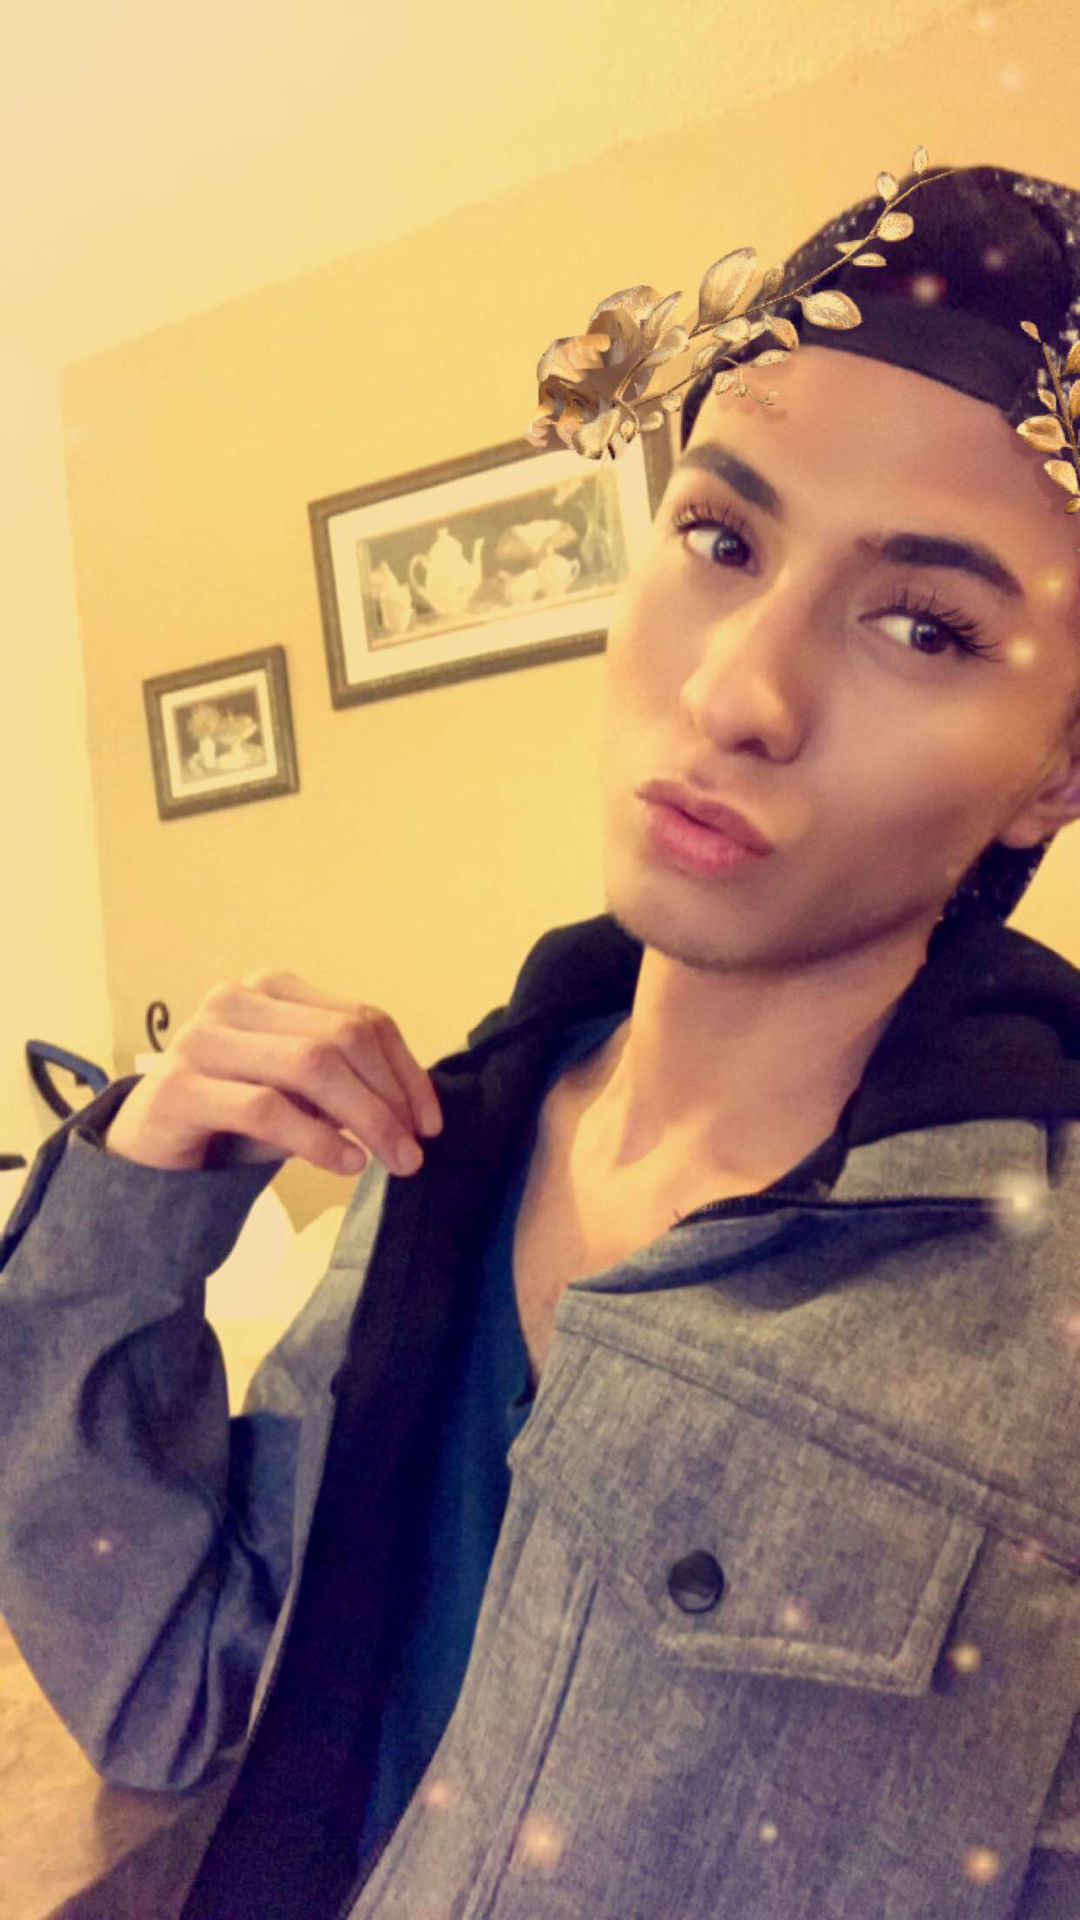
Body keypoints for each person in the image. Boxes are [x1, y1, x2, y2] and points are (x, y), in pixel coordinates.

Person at [2, 157, 1080, 1920]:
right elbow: (184, 1701)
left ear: (1058, 764)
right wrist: (130, 1204)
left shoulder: (1039, 1331)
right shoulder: (446, 1151)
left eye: (926, 626)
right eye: (721, 540)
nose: (736, 690)